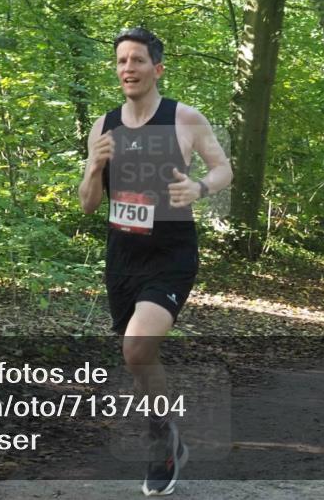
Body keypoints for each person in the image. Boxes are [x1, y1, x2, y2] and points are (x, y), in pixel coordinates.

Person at [79, 27, 232, 496]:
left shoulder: (183, 119)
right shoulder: (103, 126)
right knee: (138, 355)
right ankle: (166, 428)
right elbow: (88, 205)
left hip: (171, 254)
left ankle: (159, 442)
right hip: (121, 256)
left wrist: (200, 188)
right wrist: (93, 167)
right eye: (122, 61)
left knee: (136, 347)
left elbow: (224, 168)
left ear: (157, 69)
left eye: (138, 61)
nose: (128, 68)